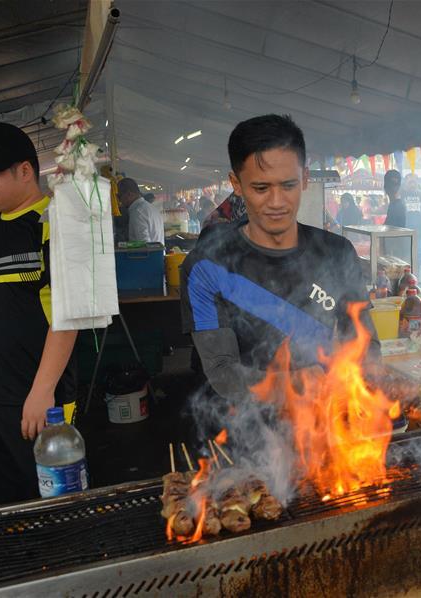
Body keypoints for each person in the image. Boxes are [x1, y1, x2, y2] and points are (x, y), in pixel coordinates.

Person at [181, 114, 380, 403]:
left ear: (306, 179)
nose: (276, 202)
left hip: (325, 425)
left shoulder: (337, 253)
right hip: (243, 434)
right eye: (261, 188)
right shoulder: (207, 267)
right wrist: (295, 384)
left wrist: (358, 378)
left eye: (288, 185)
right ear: (236, 184)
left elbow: (365, 344)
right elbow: (222, 374)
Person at [0, 122, 78, 506]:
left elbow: (68, 313)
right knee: (5, 504)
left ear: (25, 171)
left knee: (51, 499)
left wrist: (42, 391)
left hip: (33, 399)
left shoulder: (52, 222)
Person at [118, 177, 164, 244]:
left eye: (119, 196)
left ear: (129, 194)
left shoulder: (137, 212)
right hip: (158, 253)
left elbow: (144, 245)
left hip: (149, 254)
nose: (119, 201)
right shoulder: (152, 208)